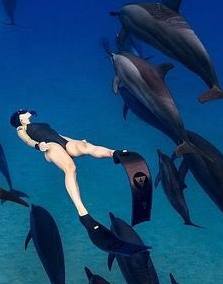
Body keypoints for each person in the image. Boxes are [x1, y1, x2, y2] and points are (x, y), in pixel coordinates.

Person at [10, 109, 150, 255]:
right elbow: (27, 140)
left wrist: (76, 141)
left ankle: (115, 153)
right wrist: (38, 146)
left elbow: (58, 135)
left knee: (87, 147)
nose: (27, 112)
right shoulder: (21, 128)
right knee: (71, 168)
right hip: (51, 147)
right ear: (19, 118)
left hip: (63, 142)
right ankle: (83, 214)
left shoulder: (39, 124)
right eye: (23, 112)